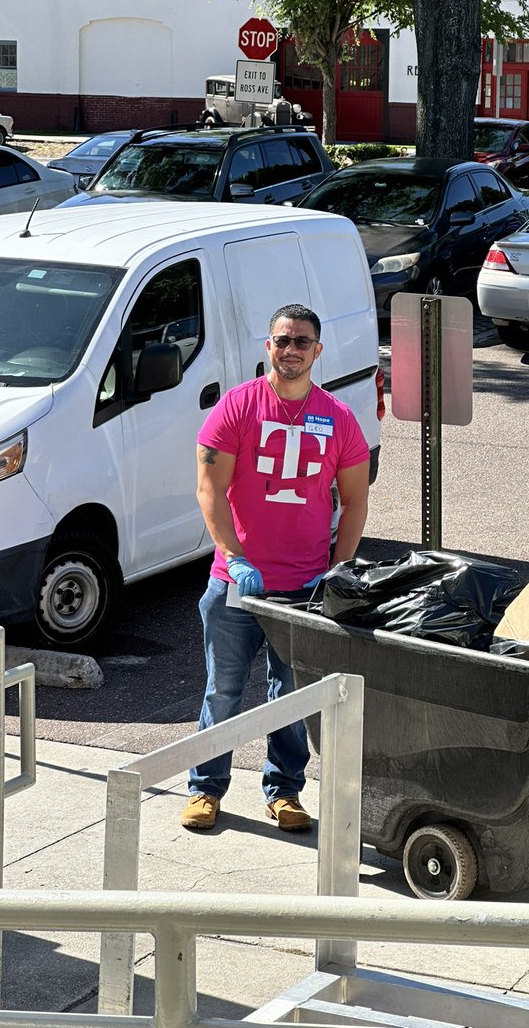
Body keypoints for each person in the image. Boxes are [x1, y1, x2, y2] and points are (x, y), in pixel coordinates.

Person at [181, 303, 371, 832]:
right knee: (223, 689)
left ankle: (284, 792)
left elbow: (355, 500)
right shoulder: (237, 407)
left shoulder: (338, 417)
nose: (291, 350)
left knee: (291, 696)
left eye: (302, 341)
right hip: (236, 586)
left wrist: (338, 570)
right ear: (268, 346)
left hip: (304, 590)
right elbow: (208, 489)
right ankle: (205, 789)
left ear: (318, 350)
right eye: (282, 340)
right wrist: (235, 557)